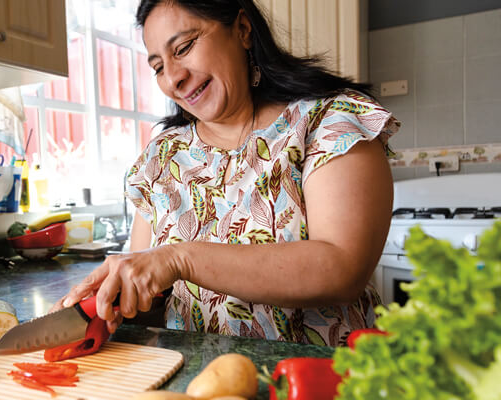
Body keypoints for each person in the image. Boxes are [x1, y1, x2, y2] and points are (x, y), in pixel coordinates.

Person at [52, 0, 400, 346]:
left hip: (320, 381)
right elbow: (148, 296)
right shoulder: (161, 158)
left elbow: (342, 269)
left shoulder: (328, 123)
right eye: (158, 67)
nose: (174, 78)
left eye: (184, 47)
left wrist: (179, 258)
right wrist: (103, 303)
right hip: (196, 384)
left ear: (243, 30)